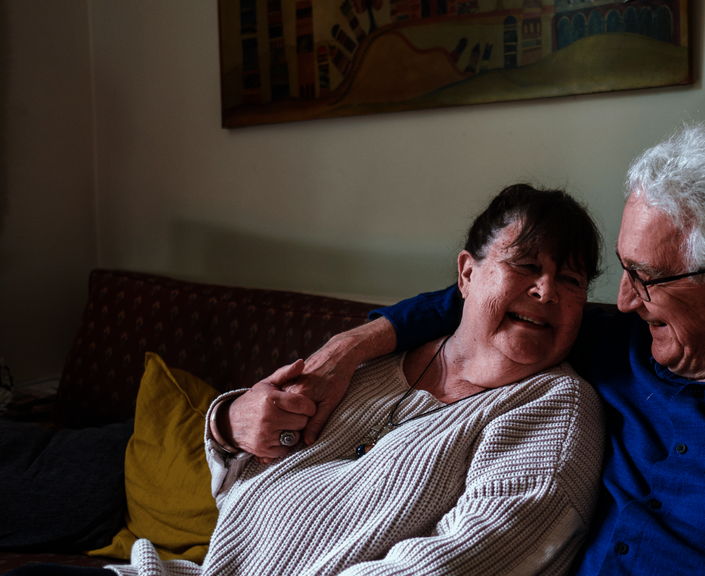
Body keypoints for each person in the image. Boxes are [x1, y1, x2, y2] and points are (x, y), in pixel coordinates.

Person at [246, 122, 705, 575]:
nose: (626, 301)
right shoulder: (623, 341)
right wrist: (352, 344)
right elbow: (482, 300)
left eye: (646, 278)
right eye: (623, 271)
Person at [4, 185, 605, 576]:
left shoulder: (553, 407)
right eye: (525, 265)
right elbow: (244, 472)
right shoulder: (364, 361)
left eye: (571, 280)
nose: (546, 290)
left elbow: (463, 561)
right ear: (466, 276)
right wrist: (228, 424)